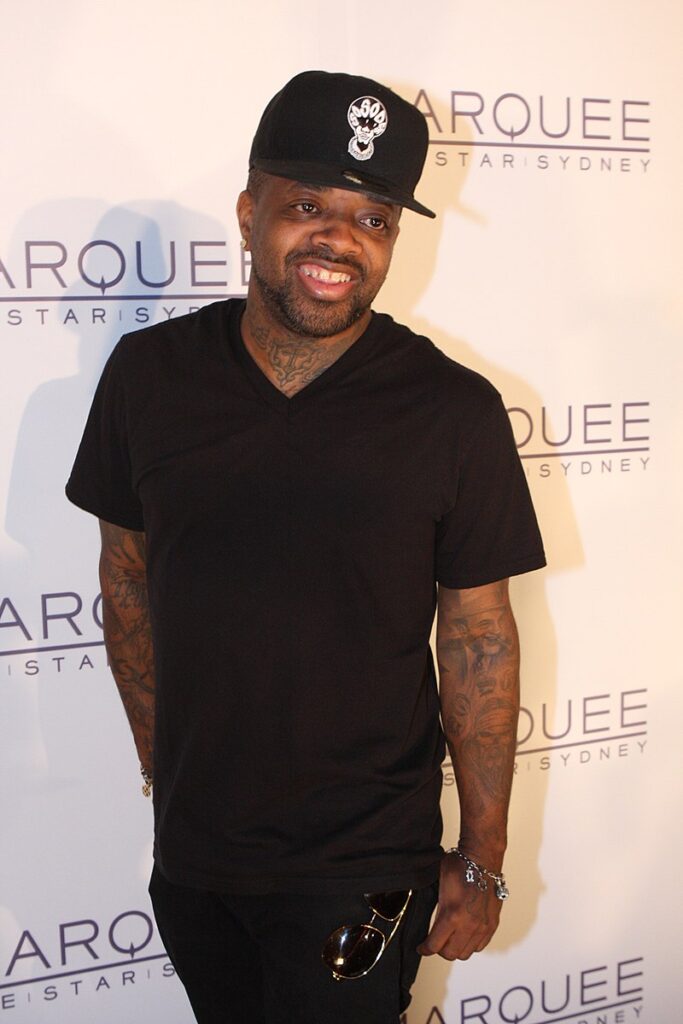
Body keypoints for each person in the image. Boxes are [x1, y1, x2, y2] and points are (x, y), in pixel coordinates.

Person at [66, 70, 545, 1024]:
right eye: (307, 206)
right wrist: (166, 775)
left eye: (372, 220)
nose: (338, 240)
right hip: (198, 854)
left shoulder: (454, 411)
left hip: (365, 861)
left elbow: (479, 639)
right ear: (249, 214)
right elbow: (126, 583)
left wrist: (483, 859)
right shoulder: (149, 377)